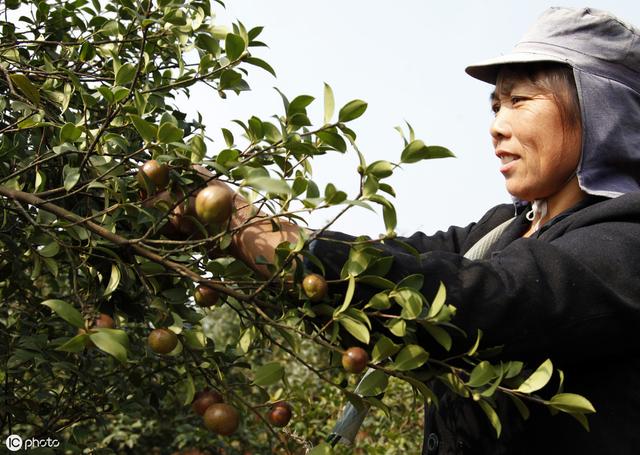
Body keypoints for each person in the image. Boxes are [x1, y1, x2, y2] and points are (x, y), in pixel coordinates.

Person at [223, 7, 640, 454]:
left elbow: (485, 296)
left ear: (600, 110)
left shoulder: (625, 240)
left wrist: (273, 240)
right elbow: (389, 260)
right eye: (496, 105)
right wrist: (242, 226)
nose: (497, 126)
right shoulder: (497, 229)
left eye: (520, 101)